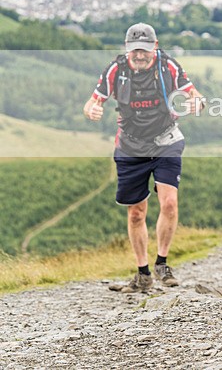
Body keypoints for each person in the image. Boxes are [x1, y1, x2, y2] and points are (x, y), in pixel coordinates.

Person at [83, 23, 205, 293]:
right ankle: (143, 273)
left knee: (169, 203)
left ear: (156, 47)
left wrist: (196, 101)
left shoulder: (168, 66)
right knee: (137, 213)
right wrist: (92, 110)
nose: (140, 55)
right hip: (130, 147)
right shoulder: (116, 70)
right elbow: (93, 101)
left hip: (166, 141)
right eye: (135, 50)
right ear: (127, 48)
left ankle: (162, 263)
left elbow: (193, 93)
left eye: (145, 50)